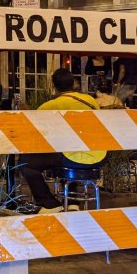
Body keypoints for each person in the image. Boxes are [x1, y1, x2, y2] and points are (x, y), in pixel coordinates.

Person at [18, 68, 103, 214]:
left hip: (72, 157)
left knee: (26, 163)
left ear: (54, 86)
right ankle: (73, 202)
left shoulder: (50, 106)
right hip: (98, 156)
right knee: (68, 149)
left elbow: (33, 129)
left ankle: (50, 203)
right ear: (74, 84)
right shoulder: (90, 101)